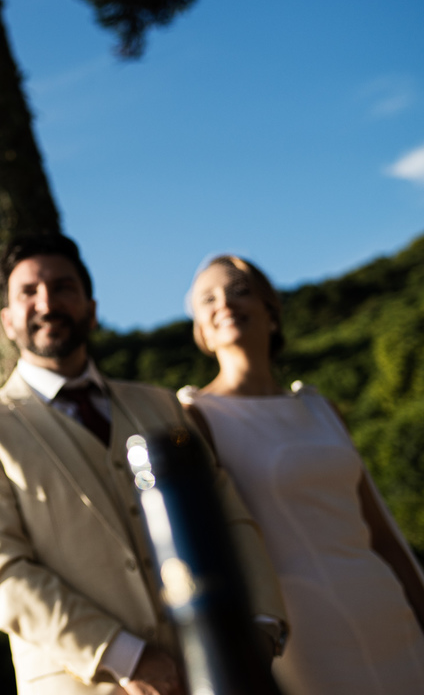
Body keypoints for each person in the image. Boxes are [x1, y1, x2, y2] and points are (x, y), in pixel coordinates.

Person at [0, 234, 287, 695]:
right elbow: (0, 574)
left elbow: (228, 514)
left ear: (91, 308)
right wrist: (126, 655)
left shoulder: (162, 405)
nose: (47, 302)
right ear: (6, 321)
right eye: (28, 292)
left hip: (218, 673)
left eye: (63, 288)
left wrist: (259, 626)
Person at [179, 254, 424, 694]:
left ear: (272, 312)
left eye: (240, 290)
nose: (225, 303)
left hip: (388, 609)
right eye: (208, 299)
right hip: (304, 636)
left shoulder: (320, 407)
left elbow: (381, 529)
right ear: (201, 331)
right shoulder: (196, 417)